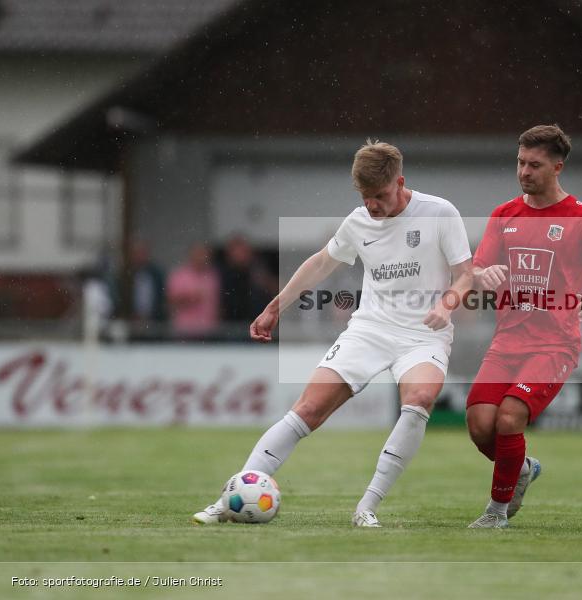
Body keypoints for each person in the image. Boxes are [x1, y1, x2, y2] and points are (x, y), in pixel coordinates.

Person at [193, 140, 473, 527]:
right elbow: (322, 263)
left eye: (380, 196)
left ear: (400, 181)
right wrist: (276, 306)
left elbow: (466, 273)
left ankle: (366, 508)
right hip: (370, 329)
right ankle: (227, 501)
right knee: (307, 410)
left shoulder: (439, 213)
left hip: (423, 334)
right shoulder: (358, 221)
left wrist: (447, 303)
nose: (373, 205)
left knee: (420, 398)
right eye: (365, 197)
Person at [465, 125, 582, 528]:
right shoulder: (504, 215)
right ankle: (522, 468)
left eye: (534, 165)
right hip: (507, 341)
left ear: (557, 166)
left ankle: (496, 512)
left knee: (510, 418)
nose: (524, 172)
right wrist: (487, 274)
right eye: (520, 162)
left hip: (555, 344)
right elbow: (477, 269)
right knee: (481, 425)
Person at [166, 242, 221, 338]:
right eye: (198, 254)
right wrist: (191, 298)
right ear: (191, 255)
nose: (201, 257)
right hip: (185, 331)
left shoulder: (212, 276)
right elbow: (171, 303)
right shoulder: (179, 275)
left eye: (204, 254)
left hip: (209, 331)